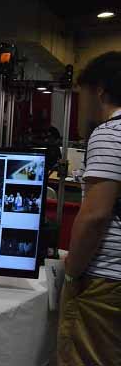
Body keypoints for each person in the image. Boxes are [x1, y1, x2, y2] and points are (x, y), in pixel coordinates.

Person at [58, 51, 121, 366]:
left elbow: (95, 215)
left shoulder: (110, 134)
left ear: (100, 91)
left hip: (106, 281)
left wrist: (71, 275)